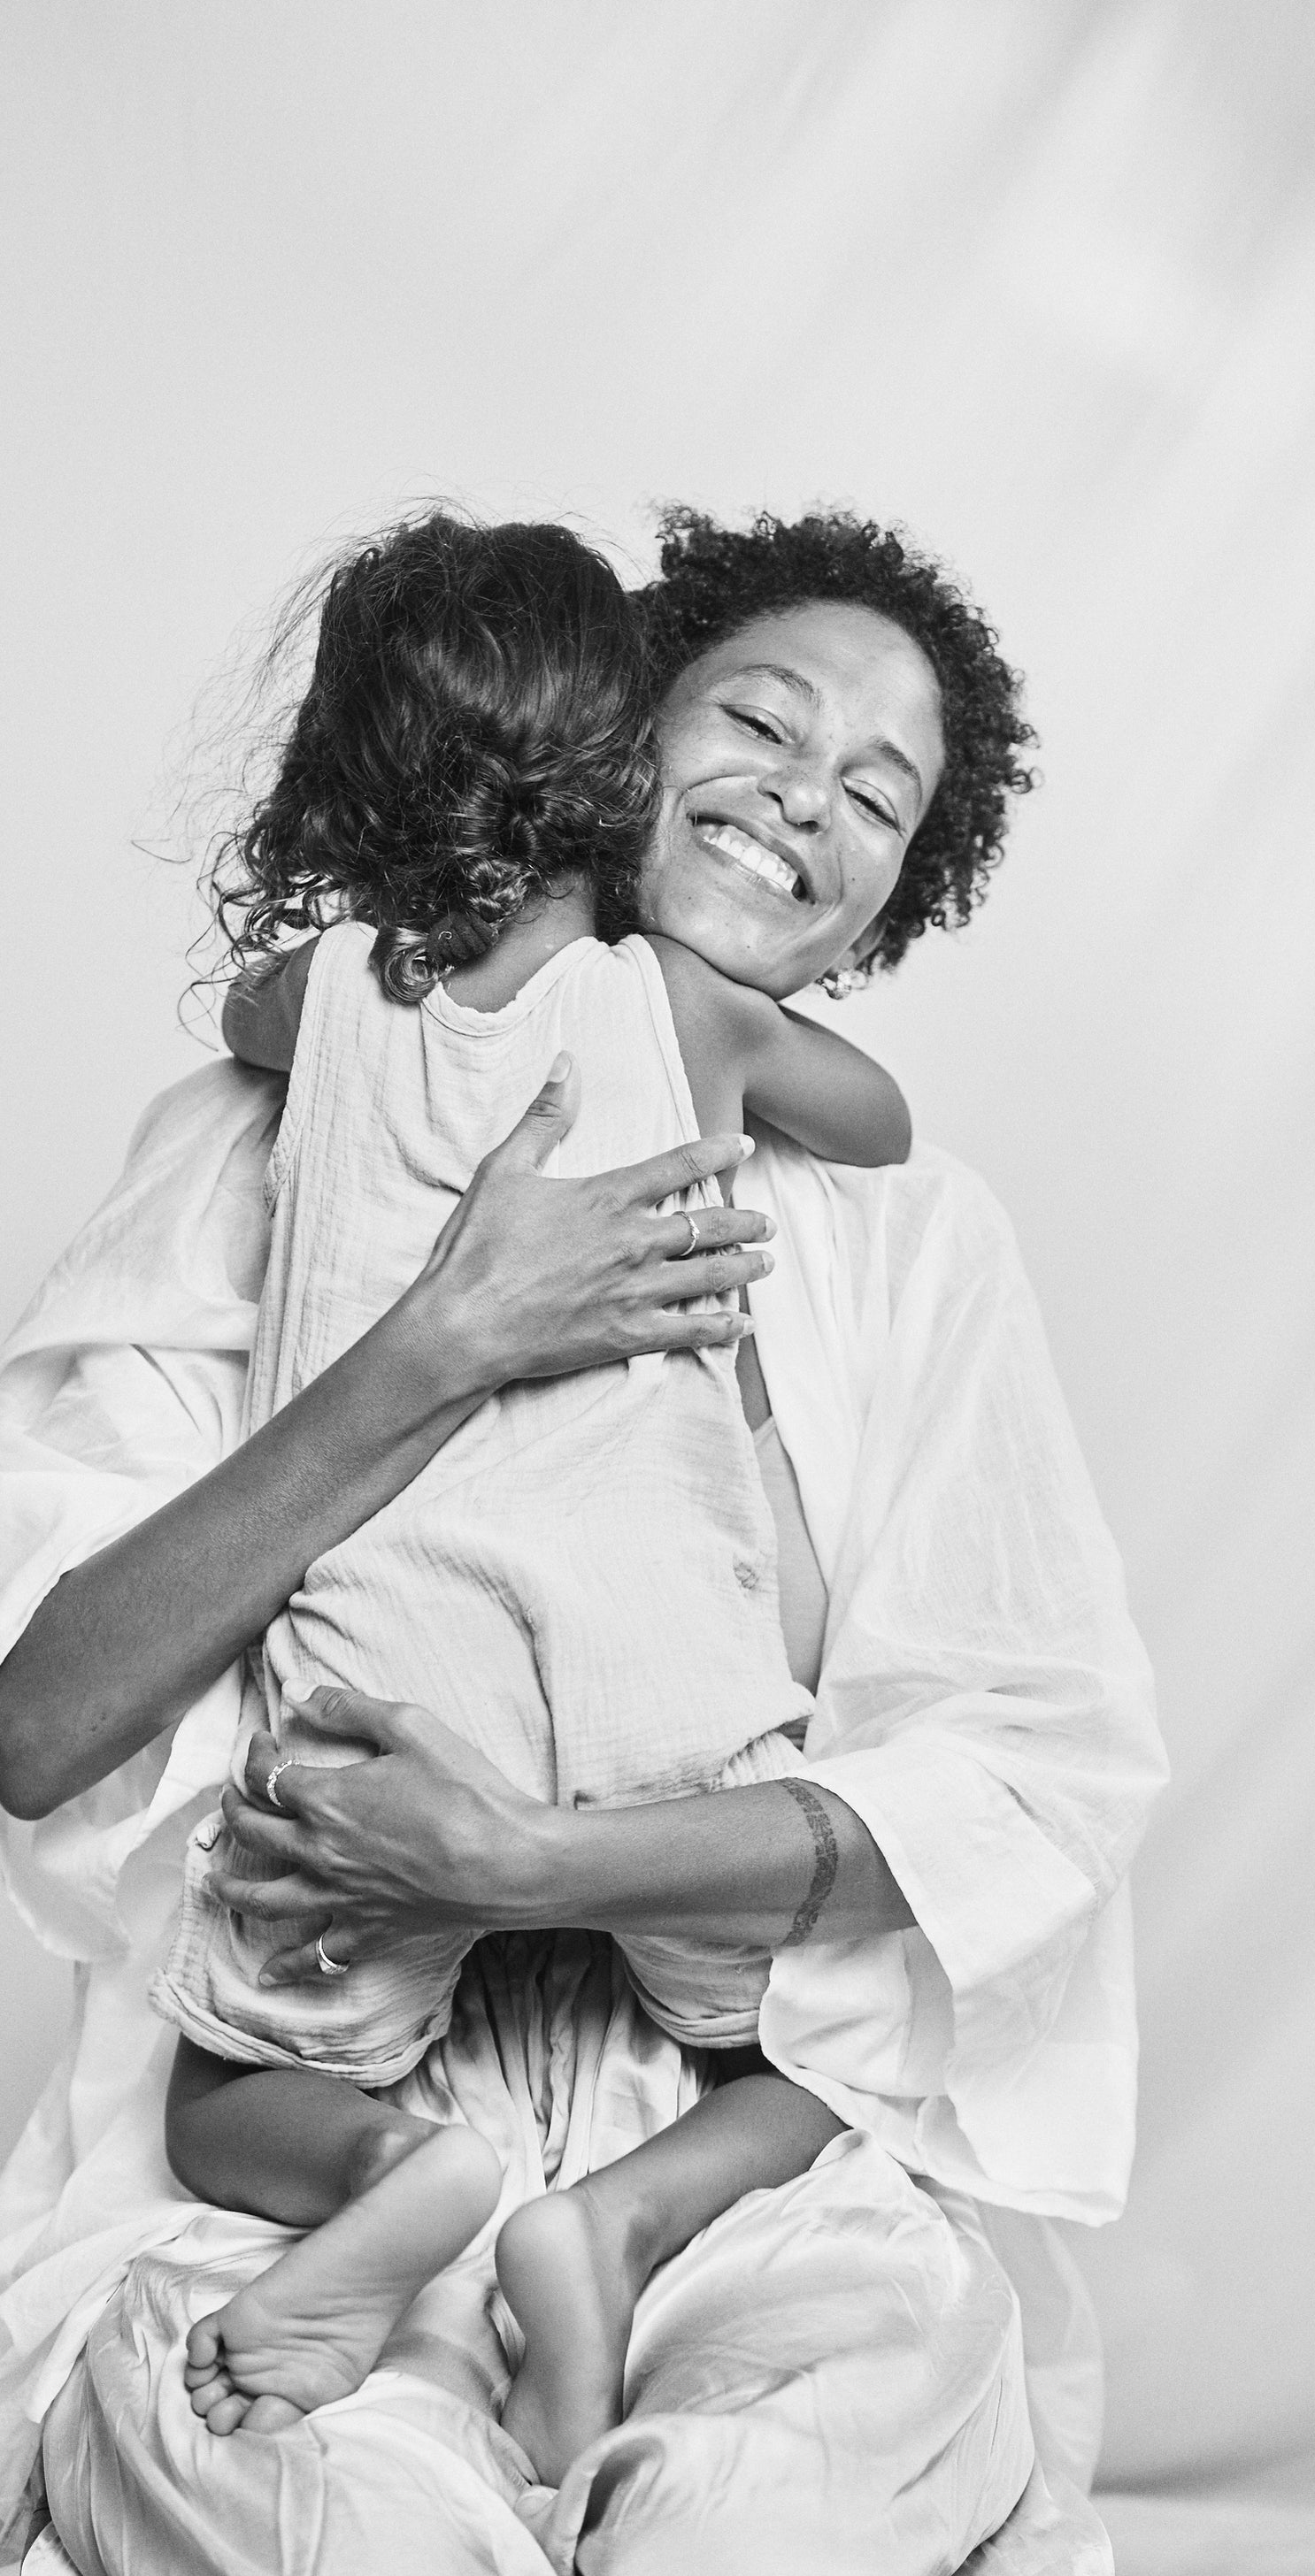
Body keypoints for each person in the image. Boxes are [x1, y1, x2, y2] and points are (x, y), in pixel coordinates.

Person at [0, 509, 1166, 2576]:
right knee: (340, 2528)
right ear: (621, 734)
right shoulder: (247, 1155)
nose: (806, 800)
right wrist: (443, 1337)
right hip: (336, 2111)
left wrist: (523, 1863)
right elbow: (47, 1721)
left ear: (897, 892)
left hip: (746, 2127)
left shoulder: (915, 1248)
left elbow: (1031, 1786)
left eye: (880, 795)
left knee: (754, 2523)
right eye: (762, 722)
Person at [150, 512, 918, 2480]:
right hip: (664, 1660)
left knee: (221, 2101)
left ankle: (412, 2174)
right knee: (830, 2052)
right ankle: (606, 2223)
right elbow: (884, 1124)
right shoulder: (682, 1009)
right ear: (623, 772)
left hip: (392, 1667)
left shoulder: (305, 1006)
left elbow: (254, 1035)